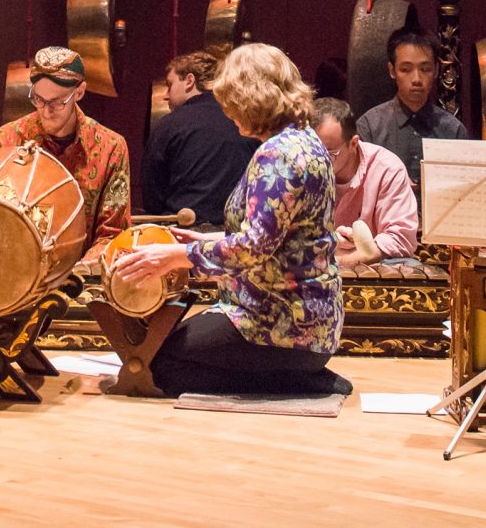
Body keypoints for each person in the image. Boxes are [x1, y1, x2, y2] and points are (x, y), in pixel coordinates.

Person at [106, 43, 346, 398]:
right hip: (309, 318)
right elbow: (277, 237)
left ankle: (302, 382)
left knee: (159, 366)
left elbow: (252, 249)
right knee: (163, 351)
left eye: (232, 100)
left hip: (279, 323)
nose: (227, 111)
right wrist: (198, 243)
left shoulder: (277, 154)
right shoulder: (305, 140)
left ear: (252, 97)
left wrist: (173, 257)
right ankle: (300, 375)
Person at [0, 47, 131, 251]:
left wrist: (79, 272)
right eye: (39, 100)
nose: (46, 111)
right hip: (14, 272)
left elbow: (112, 234)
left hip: (83, 276)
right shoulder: (5, 141)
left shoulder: (111, 147)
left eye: (57, 102)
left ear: (80, 92)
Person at [142, 50, 254, 224]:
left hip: (179, 233)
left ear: (189, 81)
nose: (165, 95)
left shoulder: (168, 125)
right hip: (231, 235)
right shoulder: (244, 121)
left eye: (169, 85)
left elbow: (152, 195)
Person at [354, 29, 466, 188]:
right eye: (406, 69)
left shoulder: (453, 131)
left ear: (436, 70)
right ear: (392, 71)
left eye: (425, 69)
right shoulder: (369, 127)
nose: (416, 79)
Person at [312, 97, 419, 261]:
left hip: (370, 268)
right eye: (312, 153)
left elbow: (401, 238)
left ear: (354, 143)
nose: (319, 162)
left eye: (330, 154)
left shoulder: (387, 169)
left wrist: (345, 259)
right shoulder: (300, 167)